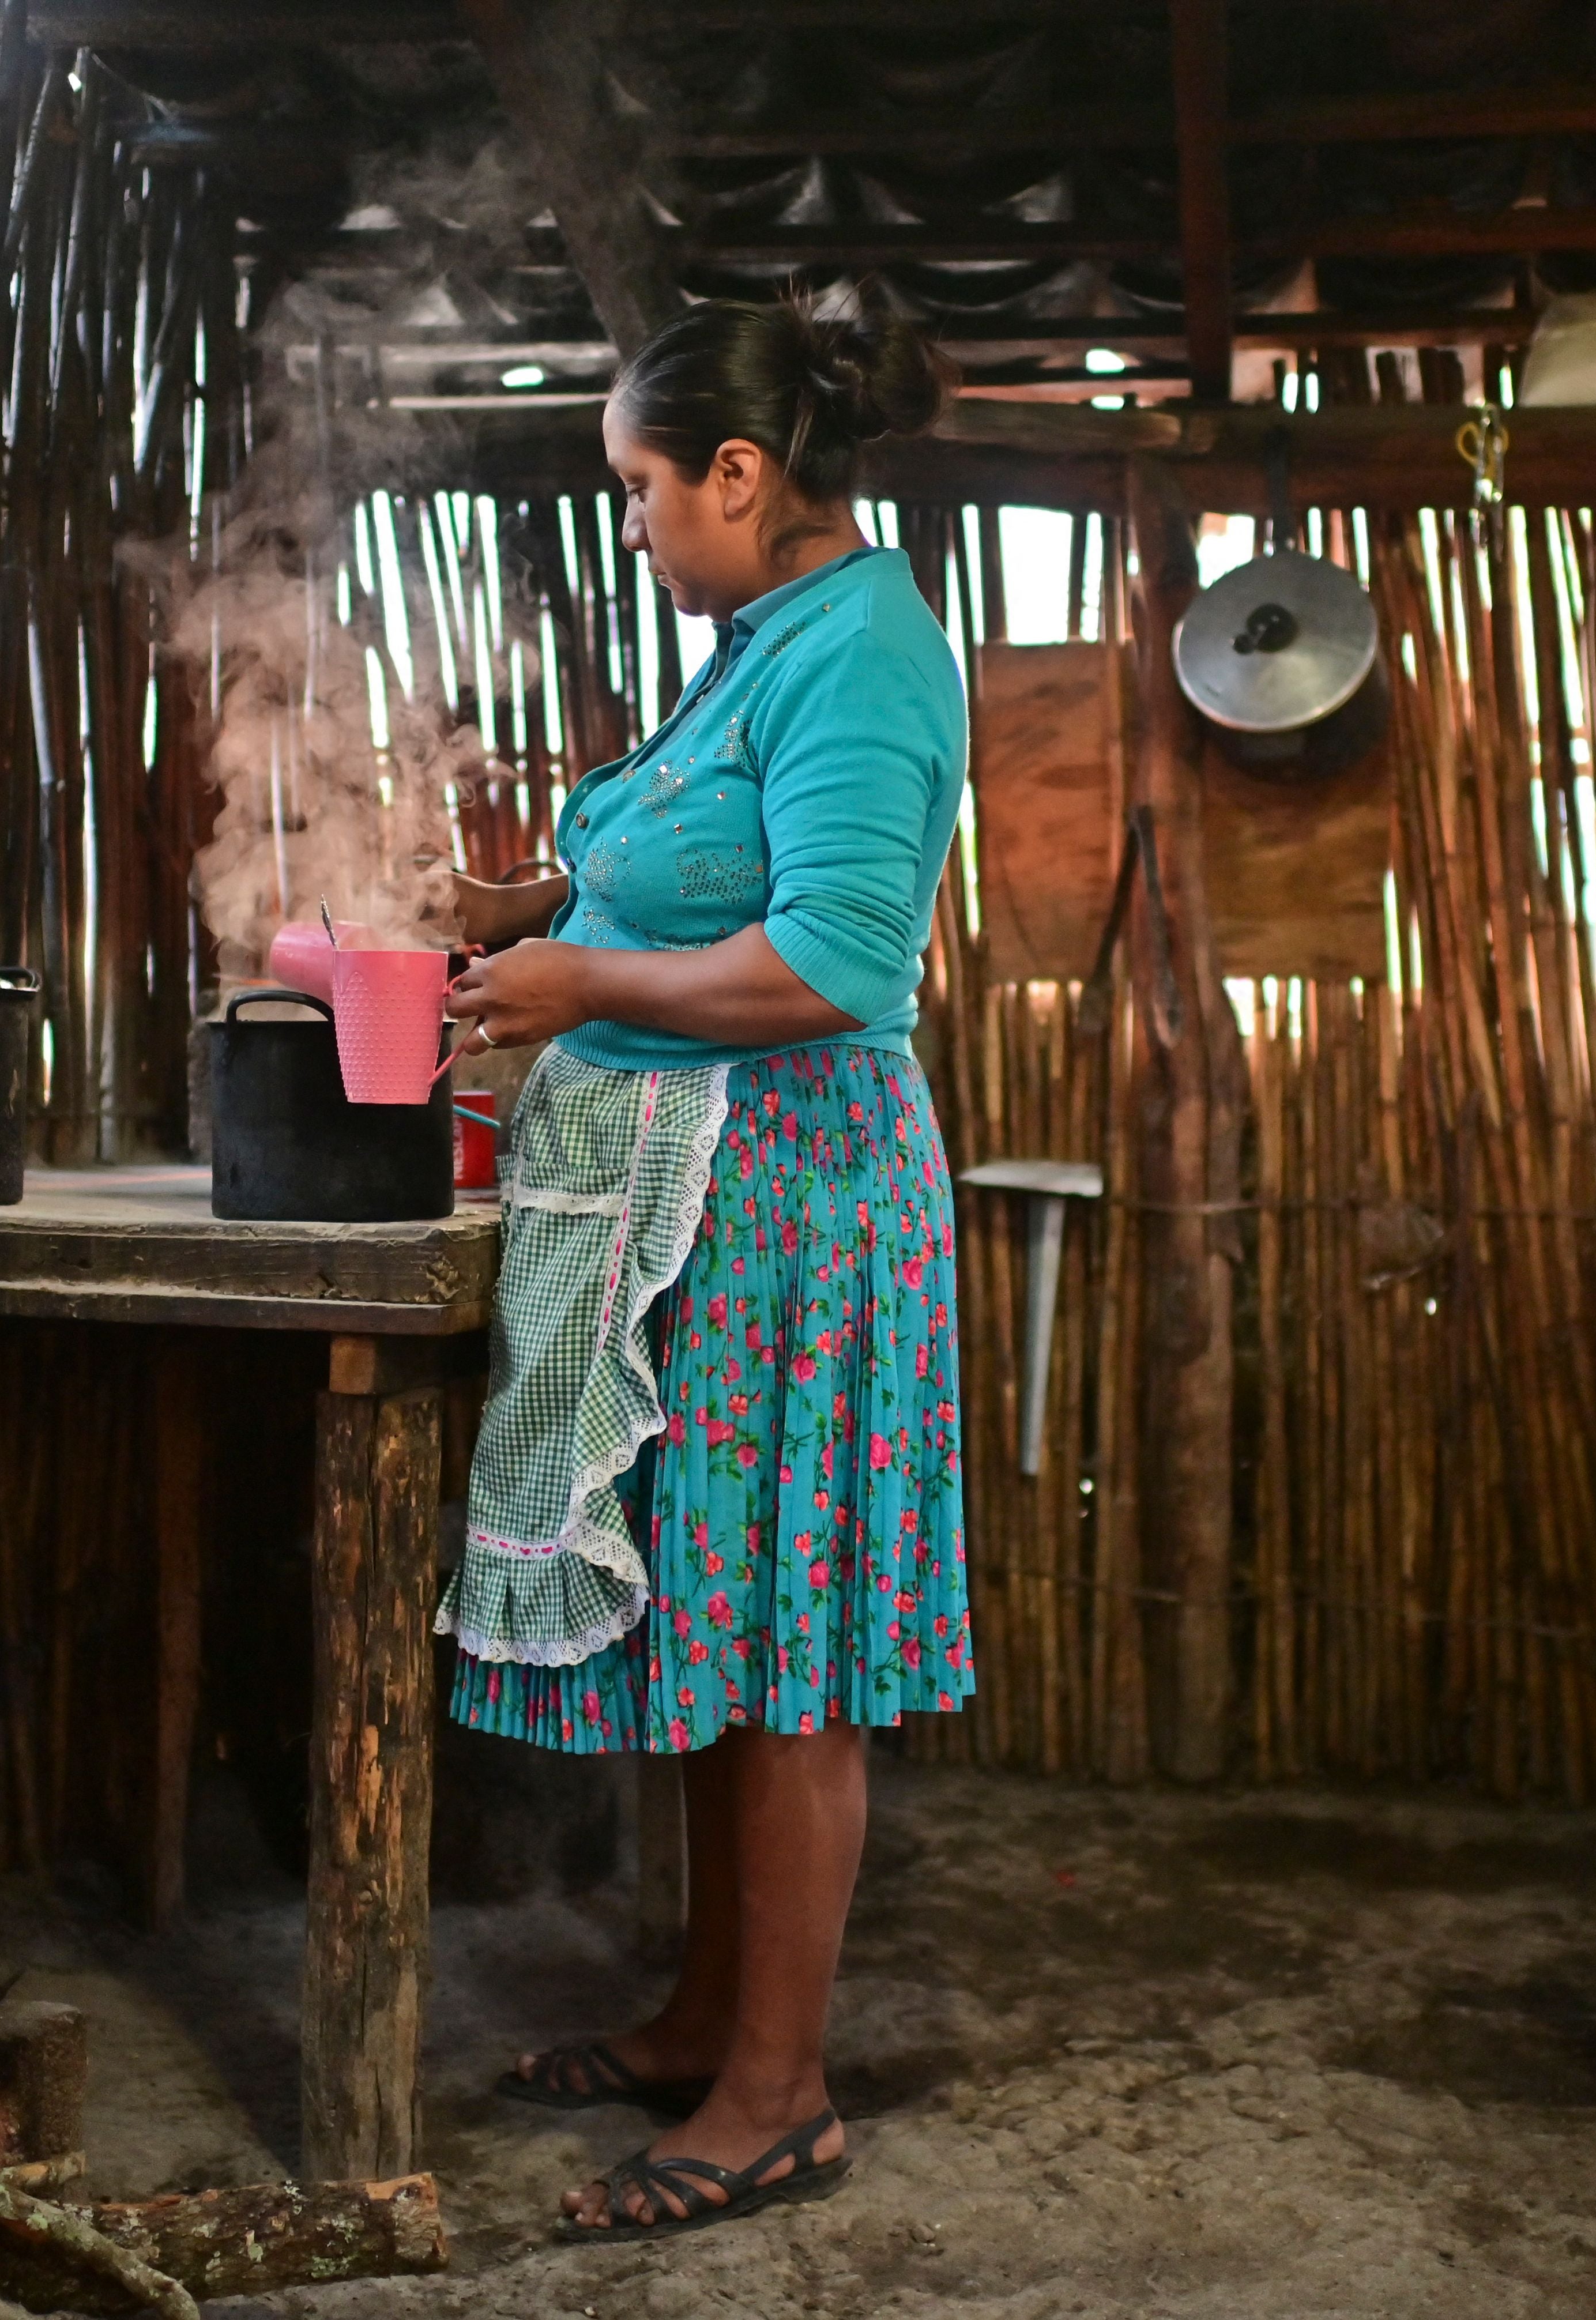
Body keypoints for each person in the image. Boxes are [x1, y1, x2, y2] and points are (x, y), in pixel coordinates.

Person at [435, 288, 971, 2242]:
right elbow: (706, 874)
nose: (638, 523)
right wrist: (543, 906)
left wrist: (583, 982)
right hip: (712, 1207)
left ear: (742, 471)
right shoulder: (766, 638)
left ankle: (777, 2095)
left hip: (802, 1214)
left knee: (793, 1659)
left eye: (645, 487)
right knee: (727, 1633)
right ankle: (700, 2022)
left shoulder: (866, 659)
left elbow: (833, 958)